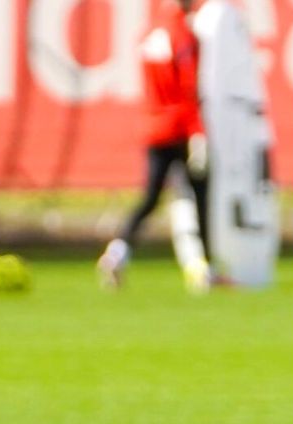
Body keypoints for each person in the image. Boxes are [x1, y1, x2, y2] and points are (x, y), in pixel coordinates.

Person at [97, 0, 209, 290]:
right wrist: (198, 131)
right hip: (178, 127)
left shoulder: (151, 31)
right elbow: (187, 88)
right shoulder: (183, 34)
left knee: (150, 198)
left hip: (154, 126)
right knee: (200, 195)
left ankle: (117, 253)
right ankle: (203, 265)